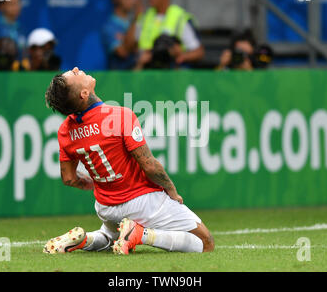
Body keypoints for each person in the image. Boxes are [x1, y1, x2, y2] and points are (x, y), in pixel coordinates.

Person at [43, 67, 214, 255]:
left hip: (106, 207)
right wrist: (171, 190)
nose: (76, 69)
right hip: (142, 201)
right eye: (74, 74)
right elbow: (149, 165)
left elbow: (68, 178)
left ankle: (85, 240)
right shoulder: (119, 116)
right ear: (84, 93)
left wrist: (93, 183)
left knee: (110, 237)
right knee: (205, 242)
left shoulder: (65, 130)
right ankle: (142, 234)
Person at [127, 0, 204, 69]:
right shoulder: (144, 17)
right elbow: (127, 48)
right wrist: (136, 18)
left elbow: (199, 53)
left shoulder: (179, 17)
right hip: (146, 72)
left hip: (170, 73)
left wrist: (180, 56)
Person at [102, 0, 142, 70]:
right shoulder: (109, 27)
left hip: (136, 78)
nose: (132, 1)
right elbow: (123, 53)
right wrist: (136, 19)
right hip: (118, 78)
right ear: (116, 0)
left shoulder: (135, 24)